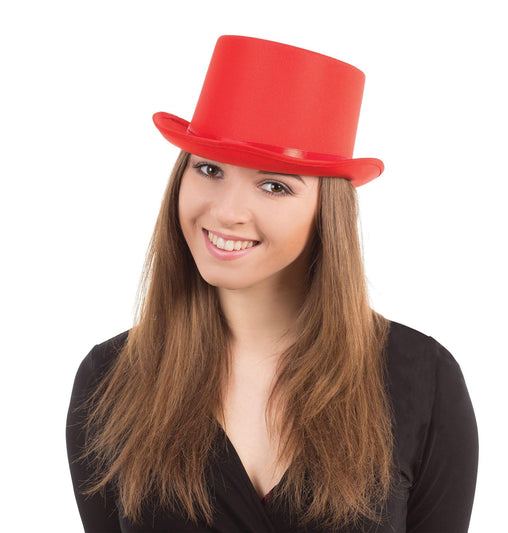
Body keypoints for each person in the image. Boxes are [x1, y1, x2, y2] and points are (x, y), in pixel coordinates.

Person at [66, 36, 478, 532]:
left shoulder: (423, 381)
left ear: (327, 212)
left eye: (274, 185)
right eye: (209, 169)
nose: (226, 212)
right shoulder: (110, 382)